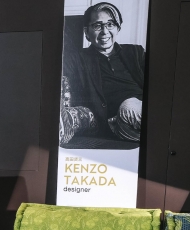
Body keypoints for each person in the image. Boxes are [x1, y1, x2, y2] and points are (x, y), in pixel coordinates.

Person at [62, 2, 145, 142]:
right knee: (130, 106)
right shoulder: (76, 59)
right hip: (117, 120)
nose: (105, 31)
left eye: (110, 24)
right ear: (86, 32)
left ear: (117, 28)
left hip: (140, 114)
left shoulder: (135, 52)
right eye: (97, 26)